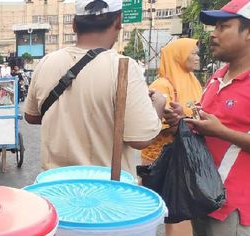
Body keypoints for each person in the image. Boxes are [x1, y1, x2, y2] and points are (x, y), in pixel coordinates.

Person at [164, 1, 250, 236]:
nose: (212, 35)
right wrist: (182, 118)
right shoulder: (218, 77)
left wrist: (222, 132)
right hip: (204, 191)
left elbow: (222, 130)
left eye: (222, 27)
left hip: (235, 201)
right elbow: (208, 123)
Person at [24, 0, 166, 177]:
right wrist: (158, 104)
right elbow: (140, 139)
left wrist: (69, 113)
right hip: (105, 191)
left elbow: (31, 116)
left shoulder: (47, 62)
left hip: (57, 187)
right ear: (118, 22)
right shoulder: (123, 67)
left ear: (74, 25)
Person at [143, 38, 203, 236]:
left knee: (182, 196)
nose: (197, 58)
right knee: (152, 201)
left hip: (184, 151)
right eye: (193, 54)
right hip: (158, 155)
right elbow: (150, 123)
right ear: (179, 56)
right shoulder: (162, 85)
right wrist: (178, 122)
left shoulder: (194, 82)